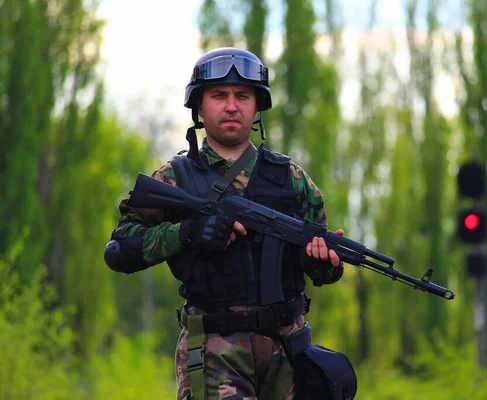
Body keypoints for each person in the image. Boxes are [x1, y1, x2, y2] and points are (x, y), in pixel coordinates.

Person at [104, 47, 357, 400]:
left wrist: (319, 262)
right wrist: (187, 233)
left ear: (257, 106)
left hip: (288, 350)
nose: (232, 105)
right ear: (199, 107)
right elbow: (120, 250)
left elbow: (327, 272)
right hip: (214, 351)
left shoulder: (292, 179)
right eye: (219, 95)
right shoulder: (173, 178)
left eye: (243, 95)